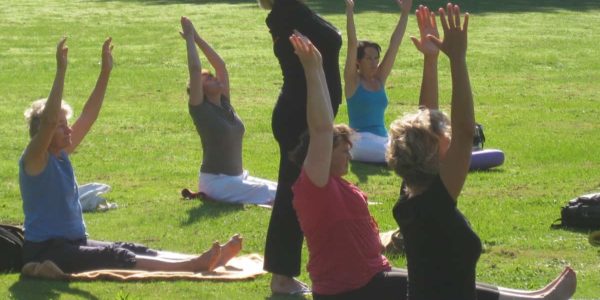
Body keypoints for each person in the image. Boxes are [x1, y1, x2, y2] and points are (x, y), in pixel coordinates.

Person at [290, 30, 576, 300]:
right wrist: (313, 69)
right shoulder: (316, 188)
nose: (349, 155)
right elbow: (321, 129)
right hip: (349, 290)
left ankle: (533, 297)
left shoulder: (409, 198)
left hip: (372, 273)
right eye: (343, 150)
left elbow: (426, 123)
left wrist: (430, 59)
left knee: (447, 281)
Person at [388, 4, 575, 299]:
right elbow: (464, 133)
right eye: (442, 134)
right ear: (434, 153)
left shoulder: (411, 197)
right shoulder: (436, 201)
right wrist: (457, 60)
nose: (447, 130)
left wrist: (431, 60)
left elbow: (428, 116)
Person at [19, 37, 242, 274]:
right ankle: (189, 266)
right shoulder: (35, 159)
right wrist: (61, 71)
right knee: (115, 256)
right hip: (47, 251)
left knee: (130, 248)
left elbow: (89, 114)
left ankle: (202, 259)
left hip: (73, 243)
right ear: (46, 131)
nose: (69, 129)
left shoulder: (61, 154)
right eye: (62, 126)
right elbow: (50, 119)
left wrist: (105, 71)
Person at [258, 0, 343, 294]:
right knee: (293, 195)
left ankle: (289, 271)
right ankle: (282, 276)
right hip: (300, 117)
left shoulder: (294, 12)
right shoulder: (288, 15)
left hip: (303, 114)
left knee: (298, 192)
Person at [180, 16, 276, 206]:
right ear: (201, 90)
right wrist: (189, 40)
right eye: (209, 80)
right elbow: (195, 68)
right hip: (217, 183)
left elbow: (221, 65)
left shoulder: (224, 103)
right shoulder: (201, 110)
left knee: (283, 189)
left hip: (237, 178)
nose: (216, 78)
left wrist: (197, 38)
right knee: (277, 197)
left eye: (213, 77)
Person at [343, 0, 411, 163]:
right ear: (358, 62)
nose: (374, 63)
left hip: (383, 139)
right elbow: (352, 44)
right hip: (360, 141)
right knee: (400, 156)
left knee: (410, 146)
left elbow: (394, 45)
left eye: (376, 58)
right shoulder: (353, 81)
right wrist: (350, 11)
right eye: (369, 58)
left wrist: (405, 13)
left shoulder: (379, 78)